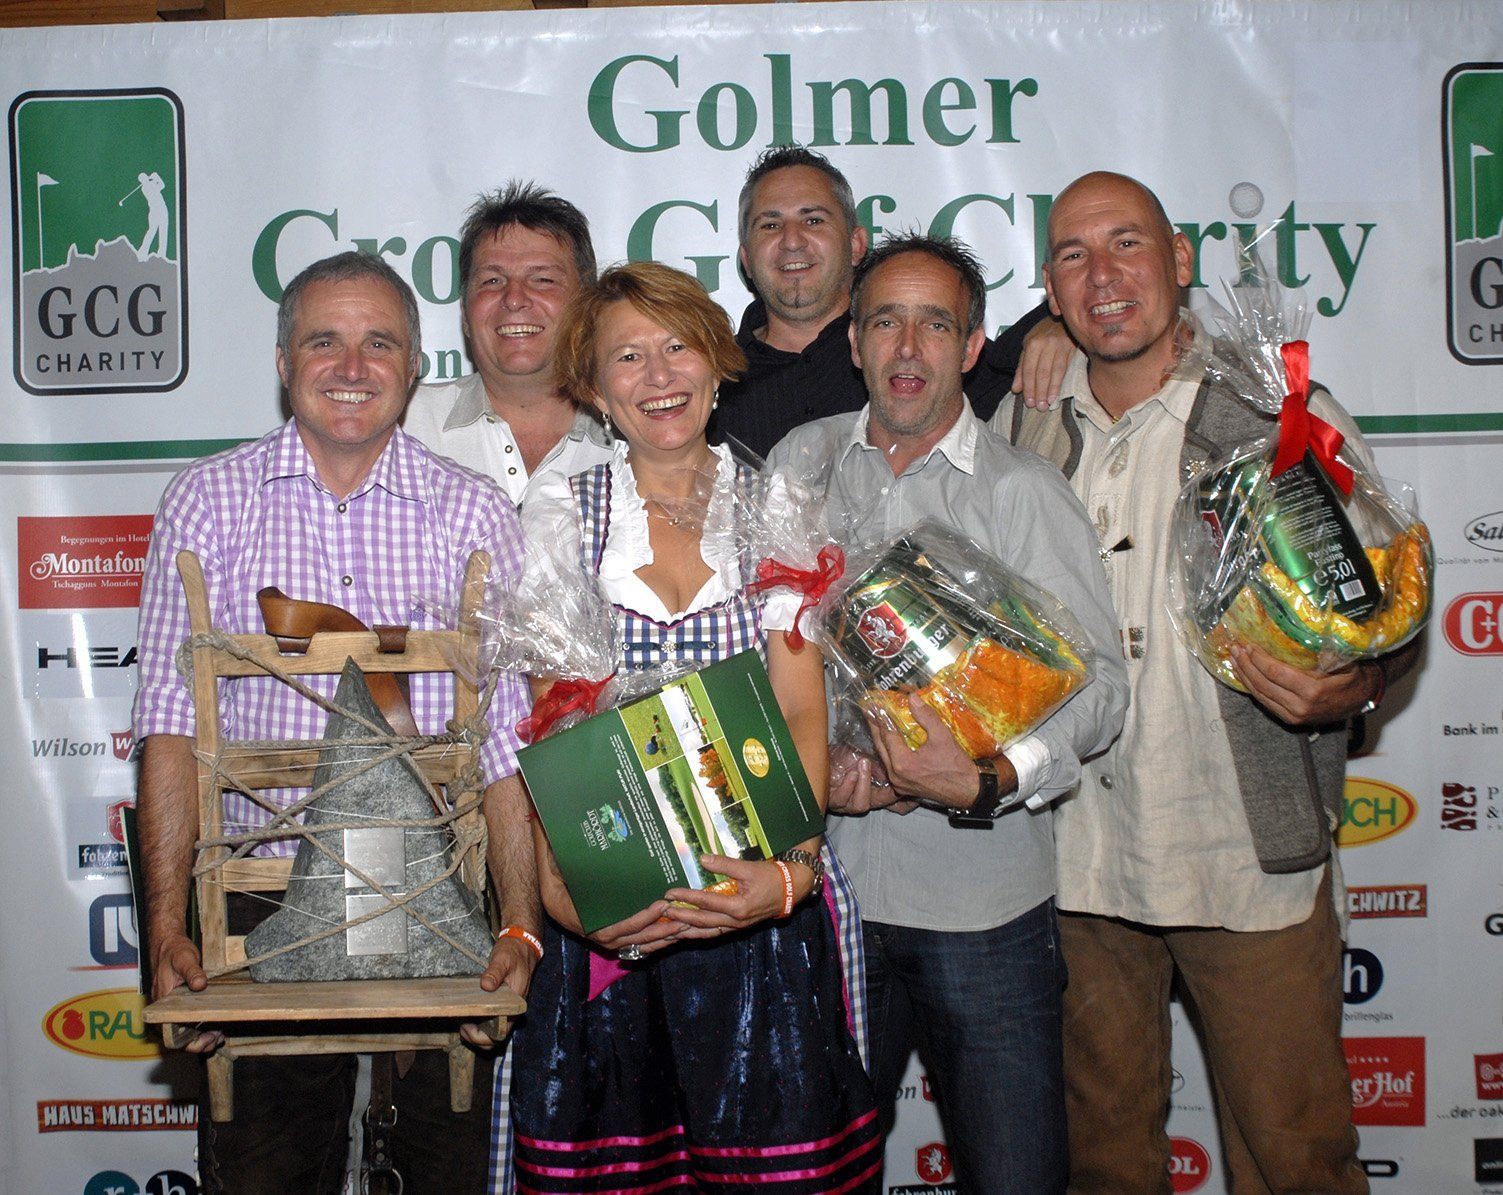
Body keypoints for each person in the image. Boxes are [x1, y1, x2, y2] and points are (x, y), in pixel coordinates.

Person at [994, 171, 1402, 1193]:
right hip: (1074, 859)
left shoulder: (1278, 410)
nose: (1103, 275)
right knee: (1102, 1160)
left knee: (1295, 1157)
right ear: (1050, 287)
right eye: (1074, 255)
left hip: (1240, 851)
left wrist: (1354, 686)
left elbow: (1381, 598)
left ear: (1179, 259)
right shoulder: (1023, 423)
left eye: (1126, 243)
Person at [133, 251, 539, 1194]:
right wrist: (166, 927)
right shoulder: (208, 501)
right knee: (268, 1175)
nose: (352, 367)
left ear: (414, 364)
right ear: (284, 362)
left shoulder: (473, 513)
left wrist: (518, 926)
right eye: (325, 341)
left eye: (379, 343)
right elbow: (167, 728)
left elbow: (505, 747)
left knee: (439, 1175)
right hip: (256, 902)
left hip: (440, 893)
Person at [768, 233, 1129, 1194]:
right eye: (885, 321)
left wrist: (986, 778)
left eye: (935, 325)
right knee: (810, 1176)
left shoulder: (1021, 491)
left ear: (971, 348)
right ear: (853, 340)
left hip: (983, 906)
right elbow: (752, 653)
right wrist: (813, 766)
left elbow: (1099, 689)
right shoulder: (800, 465)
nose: (907, 348)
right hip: (825, 897)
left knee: (1016, 1176)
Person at [509, 261, 881, 1193]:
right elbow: (553, 719)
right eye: (626, 356)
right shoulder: (563, 511)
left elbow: (800, 706)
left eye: (677, 345)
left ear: (716, 365)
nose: (658, 374)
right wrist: (562, 884)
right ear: (595, 390)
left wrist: (790, 873)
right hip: (613, 889)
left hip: (758, 889)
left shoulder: (776, 504)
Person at [713, 144, 1076, 460]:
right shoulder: (712, 386)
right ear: (746, 259)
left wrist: (1065, 329)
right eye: (770, 225)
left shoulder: (938, 356)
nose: (792, 240)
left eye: (813, 220)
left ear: (856, 244)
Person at [404, 181, 612, 504]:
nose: (514, 299)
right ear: (464, 313)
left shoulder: (637, 438)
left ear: (587, 306)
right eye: (492, 280)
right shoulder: (401, 430)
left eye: (542, 279)